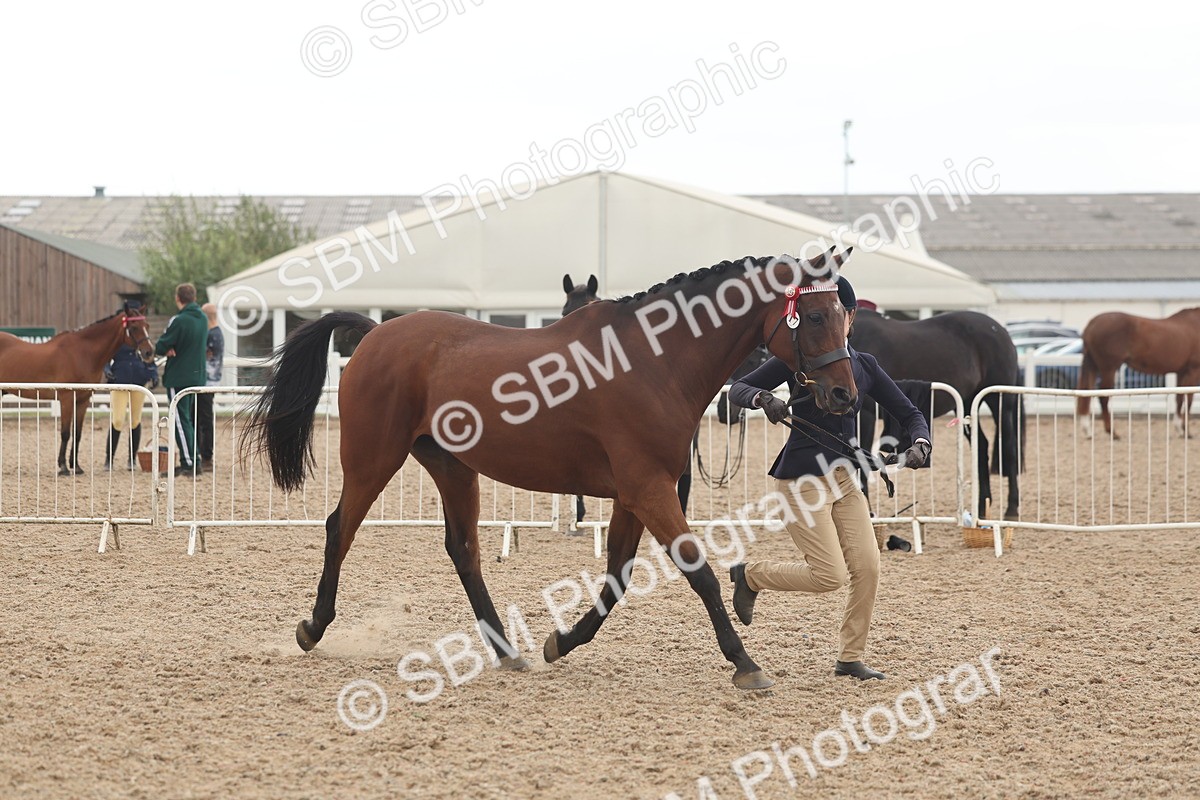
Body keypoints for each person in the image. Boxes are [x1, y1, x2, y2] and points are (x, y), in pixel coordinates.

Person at [726, 275, 931, 681]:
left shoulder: (864, 366)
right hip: (801, 484)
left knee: (868, 568)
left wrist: (920, 442)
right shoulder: (794, 361)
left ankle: (850, 657)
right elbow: (738, 386)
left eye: (843, 314)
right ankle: (750, 575)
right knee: (829, 576)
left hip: (845, 480)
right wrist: (762, 398)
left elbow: (909, 413)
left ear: (850, 317)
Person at [155, 283, 208, 476]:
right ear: (194, 297)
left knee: (179, 420)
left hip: (178, 376)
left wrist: (168, 347)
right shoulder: (203, 318)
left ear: (178, 298)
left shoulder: (178, 320)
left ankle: (188, 463)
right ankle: (195, 458)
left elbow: (161, 345)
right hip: (197, 376)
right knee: (188, 420)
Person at [103, 312, 159, 471]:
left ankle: (132, 459)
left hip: (139, 382)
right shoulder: (118, 339)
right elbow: (105, 358)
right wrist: (107, 369)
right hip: (119, 381)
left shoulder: (143, 339)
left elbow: (150, 358)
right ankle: (109, 459)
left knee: (135, 420)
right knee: (118, 420)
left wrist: (153, 374)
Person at [196, 303, 224, 467]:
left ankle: (206, 456)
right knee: (203, 418)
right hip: (212, 380)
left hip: (207, 381)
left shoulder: (211, 335)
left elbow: (204, 354)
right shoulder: (217, 333)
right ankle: (204, 454)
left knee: (204, 419)